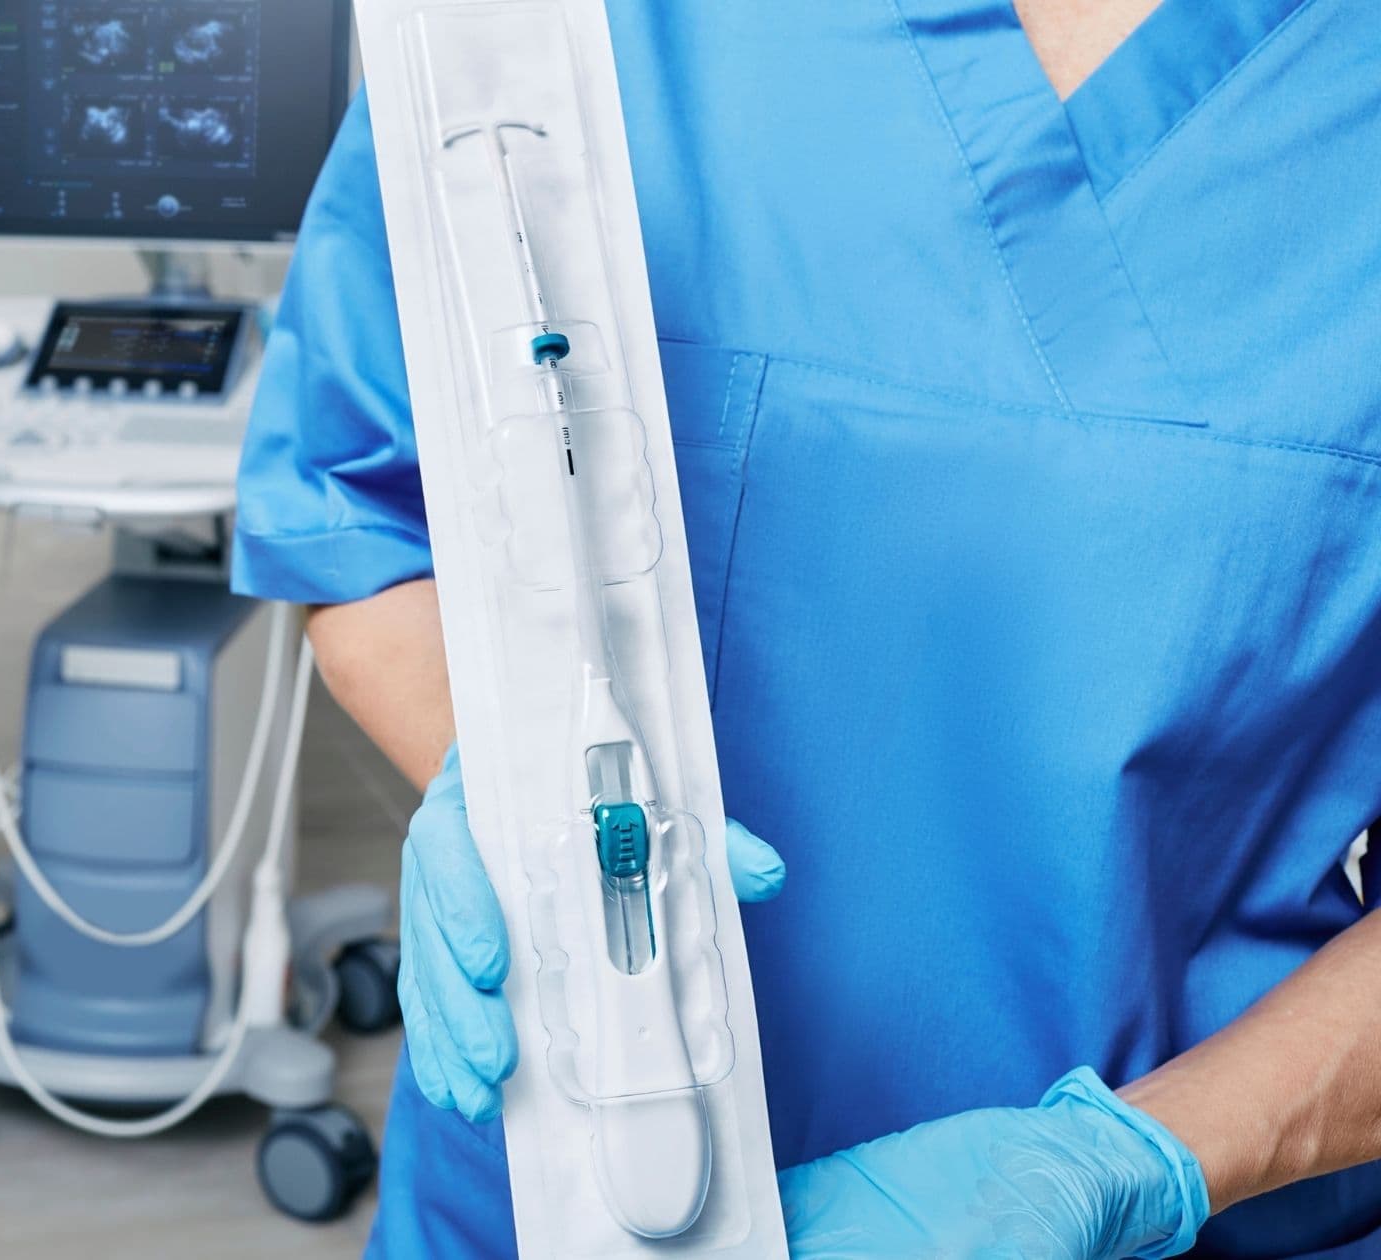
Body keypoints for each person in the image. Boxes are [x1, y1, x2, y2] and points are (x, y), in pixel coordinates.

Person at [233, 0, 1381, 1256]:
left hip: (1191, 1190)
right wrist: (516, 798)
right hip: (577, 1164)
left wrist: (1140, 1160)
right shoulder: (565, 25)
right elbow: (365, 521)